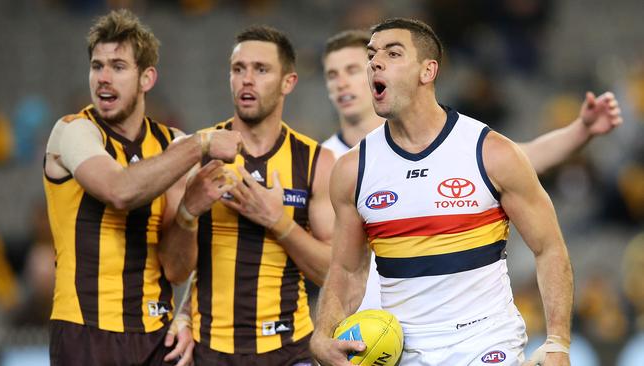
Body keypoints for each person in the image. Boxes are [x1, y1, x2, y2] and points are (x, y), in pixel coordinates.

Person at [311, 18, 574, 365]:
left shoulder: (490, 152)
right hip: (404, 352)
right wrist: (323, 334)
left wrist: (558, 343)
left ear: (427, 71)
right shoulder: (352, 170)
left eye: (392, 53)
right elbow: (345, 270)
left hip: (487, 344)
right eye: (372, 54)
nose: (374, 62)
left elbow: (549, 248)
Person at [320, 29, 622, 312]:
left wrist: (580, 130)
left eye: (353, 69)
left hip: (451, 328)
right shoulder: (325, 164)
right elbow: (334, 265)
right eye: (332, 75)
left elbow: (524, 157)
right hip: (367, 327)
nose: (342, 82)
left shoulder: (457, 145)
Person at [43, 9, 242, 366]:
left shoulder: (172, 145)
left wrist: (187, 212)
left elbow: (176, 269)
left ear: (147, 78)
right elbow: (119, 190)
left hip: (155, 334)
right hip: (84, 332)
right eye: (97, 66)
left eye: (118, 67)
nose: (103, 78)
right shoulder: (74, 132)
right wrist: (201, 144)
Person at [188, 25, 335, 365]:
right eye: (238, 69)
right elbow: (173, 266)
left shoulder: (316, 162)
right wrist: (185, 214)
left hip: (289, 349)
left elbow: (330, 272)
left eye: (261, 69)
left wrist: (276, 220)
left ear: (288, 82)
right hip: (208, 349)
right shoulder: (195, 152)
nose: (247, 80)